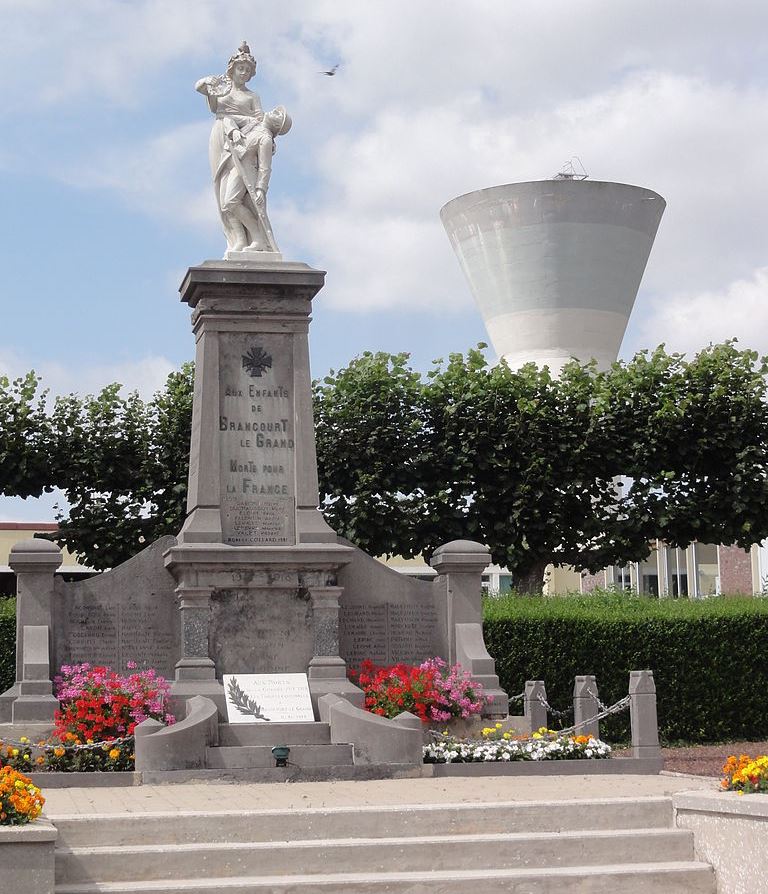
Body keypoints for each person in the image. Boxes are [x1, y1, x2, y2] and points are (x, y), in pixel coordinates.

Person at [195, 42, 274, 253]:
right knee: (222, 192)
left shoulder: (252, 97)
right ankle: (238, 239)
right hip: (222, 136)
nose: (244, 73)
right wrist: (207, 90)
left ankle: (255, 238)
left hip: (243, 141)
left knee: (237, 195)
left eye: (248, 71)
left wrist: (239, 124)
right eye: (241, 68)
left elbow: (260, 121)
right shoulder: (223, 88)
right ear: (232, 69)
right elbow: (214, 106)